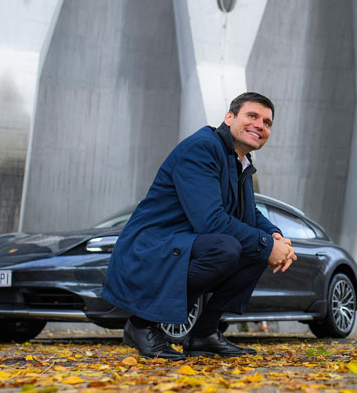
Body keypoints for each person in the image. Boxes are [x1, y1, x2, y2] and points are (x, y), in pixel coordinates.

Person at [102, 92, 297, 360]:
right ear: (229, 118)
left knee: (255, 249)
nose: (260, 125)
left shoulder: (239, 162)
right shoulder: (202, 148)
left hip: (180, 246)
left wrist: (276, 238)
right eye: (252, 116)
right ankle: (141, 324)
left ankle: (204, 334)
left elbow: (248, 213)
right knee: (226, 248)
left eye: (267, 122)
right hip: (151, 249)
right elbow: (211, 221)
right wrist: (267, 245)